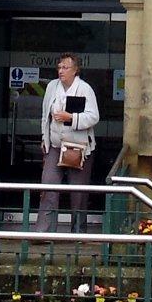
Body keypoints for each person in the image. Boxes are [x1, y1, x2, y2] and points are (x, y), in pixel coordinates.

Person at [34, 53, 101, 232]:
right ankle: (43, 231)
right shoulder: (51, 87)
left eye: (65, 68)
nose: (61, 71)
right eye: (59, 67)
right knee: (48, 185)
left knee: (78, 191)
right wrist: (44, 138)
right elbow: (45, 116)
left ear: (75, 70)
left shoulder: (84, 89)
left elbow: (94, 116)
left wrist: (70, 117)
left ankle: (78, 232)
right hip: (55, 145)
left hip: (78, 147)